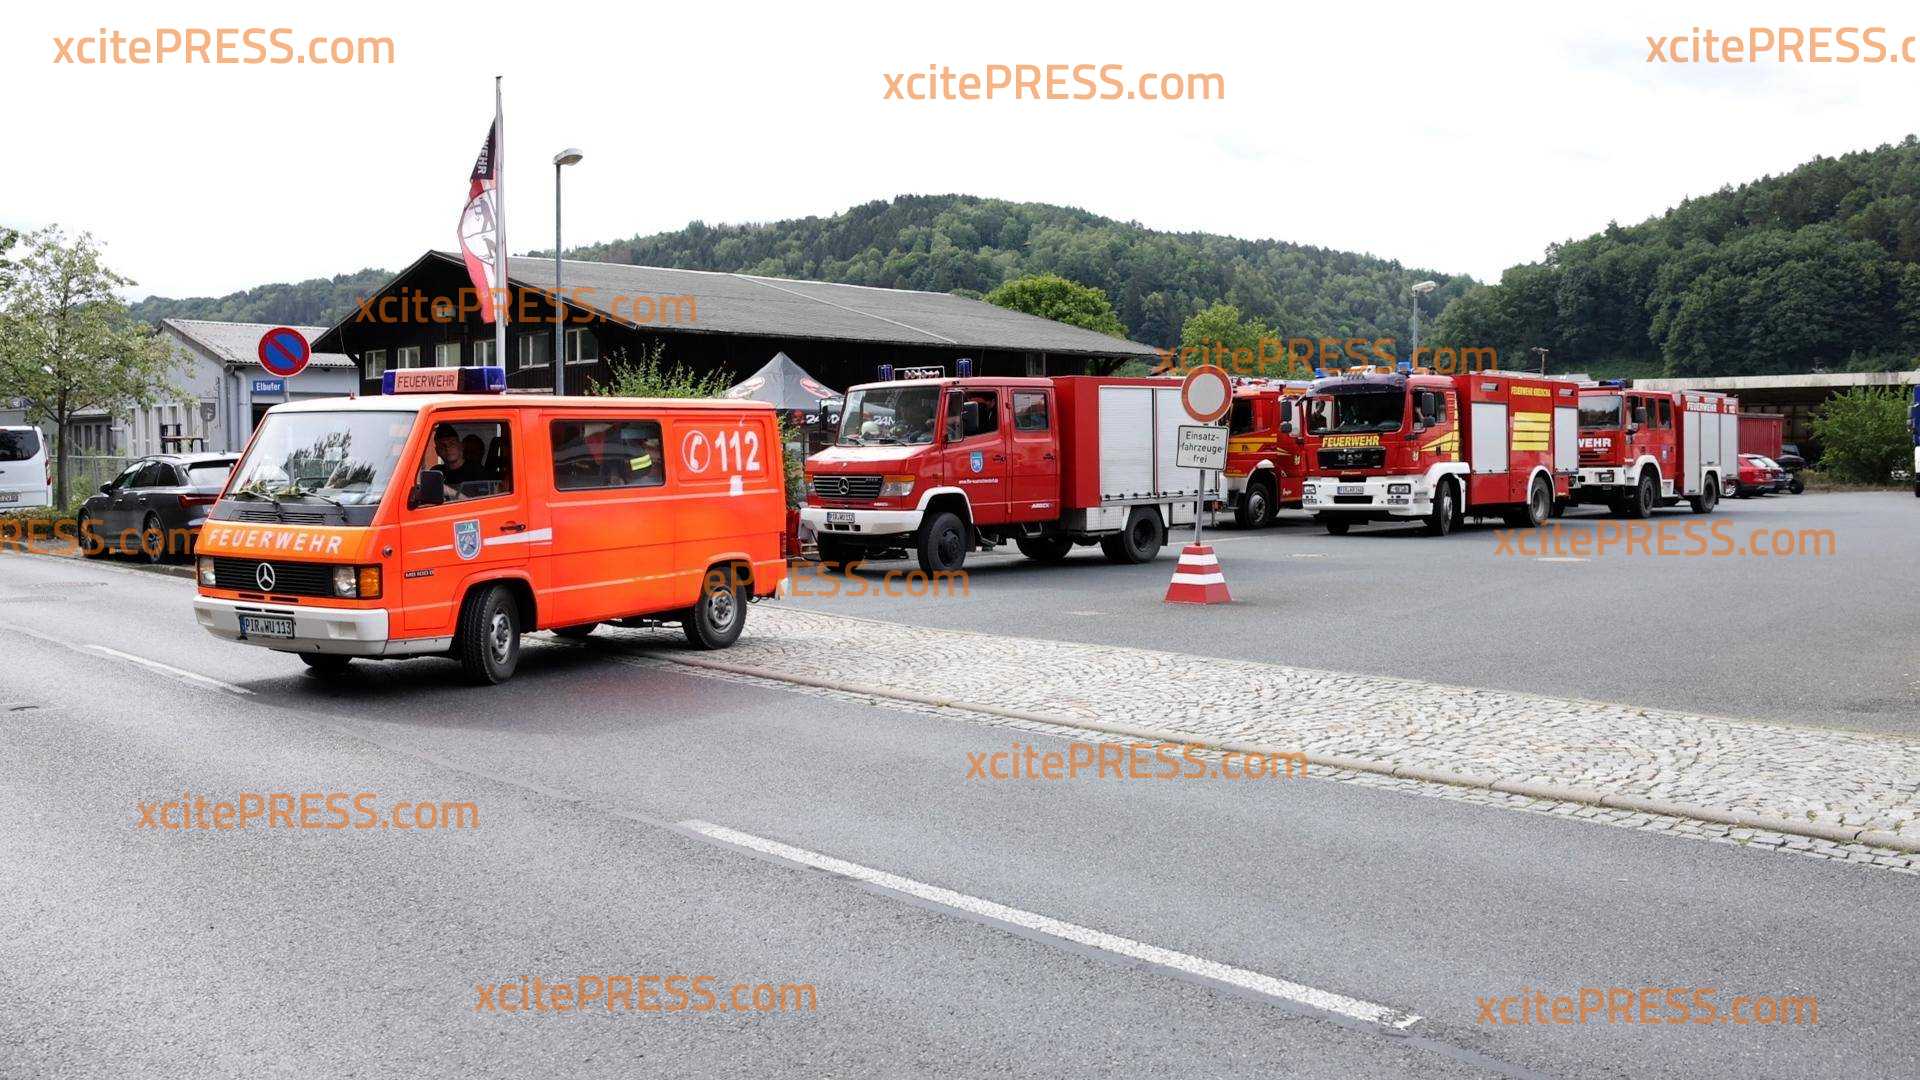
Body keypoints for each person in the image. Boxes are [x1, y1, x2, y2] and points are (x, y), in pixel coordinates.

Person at [428, 424, 489, 499]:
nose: (447, 448)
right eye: (442, 446)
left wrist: (449, 491)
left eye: (452, 443)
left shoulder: (477, 471)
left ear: (461, 446)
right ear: (437, 451)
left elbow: (483, 503)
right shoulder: (436, 472)